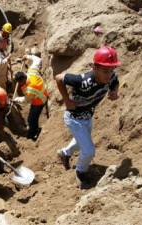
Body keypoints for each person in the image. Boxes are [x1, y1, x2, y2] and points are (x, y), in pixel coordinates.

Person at [55, 46, 121, 189]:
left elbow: (115, 81)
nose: (108, 75)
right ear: (94, 68)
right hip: (73, 117)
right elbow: (59, 78)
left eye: (111, 70)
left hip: (87, 116)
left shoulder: (111, 77)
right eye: (105, 71)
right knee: (89, 150)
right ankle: (80, 172)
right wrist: (67, 100)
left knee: (80, 143)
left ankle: (64, 153)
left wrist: (114, 92)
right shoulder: (82, 80)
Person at [13, 70, 48, 141]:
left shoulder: (30, 89)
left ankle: (33, 133)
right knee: (32, 118)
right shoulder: (31, 74)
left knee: (31, 119)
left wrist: (16, 99)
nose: (19, 84)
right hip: (43, 92)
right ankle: (34, 129)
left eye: (19, 82)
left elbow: (26, 100)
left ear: (22, 80)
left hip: (40, 101)